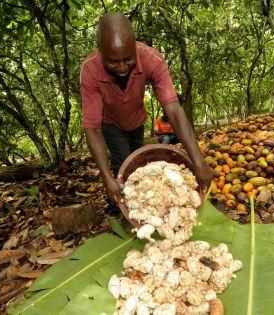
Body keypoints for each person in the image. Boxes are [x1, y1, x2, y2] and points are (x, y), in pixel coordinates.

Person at [80, 13, 213, 212]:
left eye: (128, 59)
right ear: (101, 53)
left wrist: (198, 161)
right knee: (123, 162)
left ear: (135, 46)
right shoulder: (90, 70)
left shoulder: (152, 59)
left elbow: (174, 109)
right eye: (113, 62)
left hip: (137, 120)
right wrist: (106, 177)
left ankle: (144, 202)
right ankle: (122, 208)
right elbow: (92, 127)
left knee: (137, 160)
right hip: (111, 123)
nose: (122, 67)